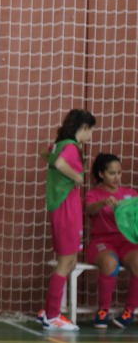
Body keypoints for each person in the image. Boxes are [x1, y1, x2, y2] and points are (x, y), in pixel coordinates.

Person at [41, 109, 95, 331]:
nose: (90, 136)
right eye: (90, 131)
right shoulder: (71, 147)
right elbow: (61, 163)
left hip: (65, 207)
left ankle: (48, 311)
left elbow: (48, 154)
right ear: (82, 128)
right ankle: (52, 315)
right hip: (65, 208)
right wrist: (77, 177)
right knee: (65, 263)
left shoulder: (59, 144)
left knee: (70, 261)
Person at [83, 153, 138, 330]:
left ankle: (129, 312)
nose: (117, 177)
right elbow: (90, 209)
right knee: (109, 263)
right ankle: (103, 311)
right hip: (102, 242)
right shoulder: (93, 194)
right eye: (112, 173)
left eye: (119, 173)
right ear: (101, 174)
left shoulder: (131, 194)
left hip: (127, 242)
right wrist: (103, 203)